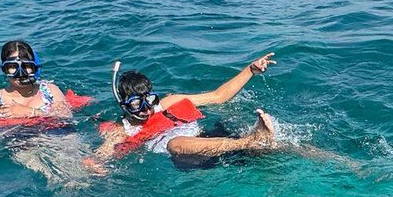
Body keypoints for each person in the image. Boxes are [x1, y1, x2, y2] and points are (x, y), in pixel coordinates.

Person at [0, 40, 92, 184]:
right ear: (4, 69)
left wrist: (30, 111)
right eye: (12, 67)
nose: (20, 73)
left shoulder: (49, 90)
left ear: (35, 68)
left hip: (59, 136)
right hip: (23, 143)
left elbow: (66, 116)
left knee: (86, 172)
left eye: (26, 66)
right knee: (58, 178)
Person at [99, 55, 286, 159]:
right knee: (174, 143)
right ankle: (249, 140)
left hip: (213, 140)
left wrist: (250, 70)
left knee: (283, 148)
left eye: (149, 100)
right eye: (136, 104)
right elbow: (103, 154)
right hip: (191, 158)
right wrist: (94, 164)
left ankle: (312, 156)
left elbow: (217, 97)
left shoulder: (168, 103)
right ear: (124, 105)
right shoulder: (122, 131)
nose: (147, 109)